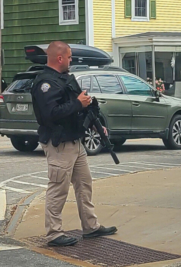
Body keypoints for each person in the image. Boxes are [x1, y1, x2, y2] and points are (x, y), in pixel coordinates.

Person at [31, 41, 117, 247]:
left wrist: (96, 124)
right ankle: (53, 233)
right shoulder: (45, 83)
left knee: (84, 184)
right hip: (59, 143)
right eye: (69, 57)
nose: (71, 61)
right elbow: (50, 114)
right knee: (58, 188)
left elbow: (81, 107)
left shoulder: (65, 79)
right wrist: (78, 102)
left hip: (76, 141)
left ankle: (90, 226)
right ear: (59, 58)